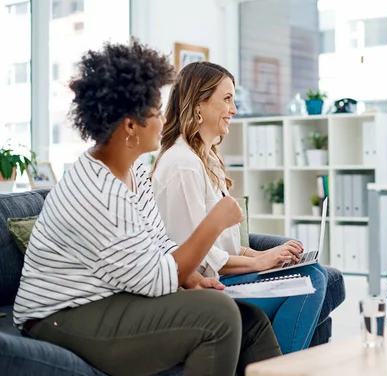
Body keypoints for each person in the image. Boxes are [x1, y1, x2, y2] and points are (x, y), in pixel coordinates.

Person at [12, 40, 281, 376]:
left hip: (111, 297)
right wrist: (214, 223)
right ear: (129, 126)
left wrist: (193, 276)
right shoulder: (97, 191)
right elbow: (154, 280)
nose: (164, 118)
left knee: (248, 319)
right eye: (156, 112)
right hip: (61, 316)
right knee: (219, 316)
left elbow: (158, 242)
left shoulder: (135, 168)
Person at [151, 61, 327, 354]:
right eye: (227, 99)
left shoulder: (205, 160)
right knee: (312, 280)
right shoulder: (182, 165)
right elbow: (194, 254)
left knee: (314, 272)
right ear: (199, 104)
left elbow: (227, 244)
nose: (233, 110)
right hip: (203, 288)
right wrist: (258, 263)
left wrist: (268, 255)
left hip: (225, 275)